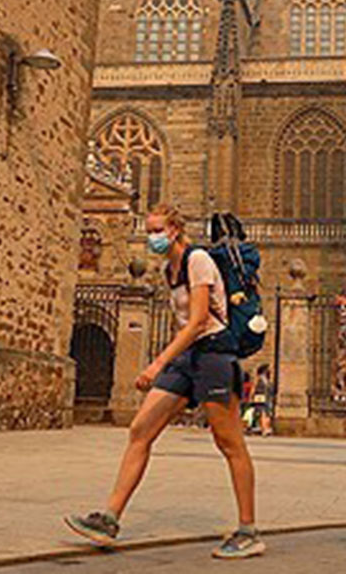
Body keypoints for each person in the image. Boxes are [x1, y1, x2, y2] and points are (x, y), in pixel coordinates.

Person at [64, 204, 264, 559]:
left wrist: (158, 362)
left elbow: (200, 319)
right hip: (188, 357)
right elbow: (184, 323)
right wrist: (170, 361)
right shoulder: (168, 269)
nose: (151, 236)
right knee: (140, 430)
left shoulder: (198, 259)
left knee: (229, 442)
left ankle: (248, 530)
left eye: (156, 229)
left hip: (215, 354)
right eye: (149, 230)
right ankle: (109, 518)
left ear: (173, 229)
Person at [251, 363, 274, 437]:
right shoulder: (259, 378)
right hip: (260, 397)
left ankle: (266, 427)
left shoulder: (267, 379)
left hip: (267, 397)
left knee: (267, 412)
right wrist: (251, 397)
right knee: (262, 412)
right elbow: (253, 387)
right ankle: (264, 429)